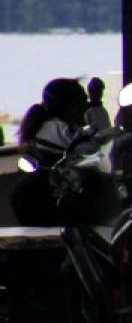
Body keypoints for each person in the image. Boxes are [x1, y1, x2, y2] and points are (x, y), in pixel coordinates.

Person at [10, 78, 89, 225]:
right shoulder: (58, 130)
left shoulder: (57, 126)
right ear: (72, 106)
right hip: (51, 195)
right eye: (83, 101)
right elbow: (88, 148)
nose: (87, 106)